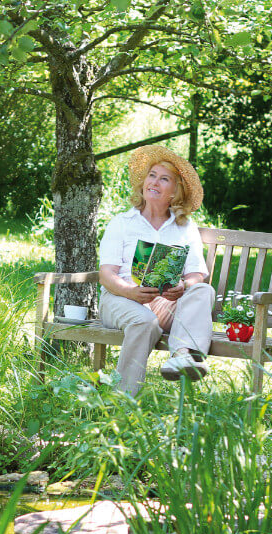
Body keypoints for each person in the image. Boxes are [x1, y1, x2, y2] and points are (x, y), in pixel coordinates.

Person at [97, 145, 216, 396]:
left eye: (164, 179)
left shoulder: (185, 227)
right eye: (152, 175)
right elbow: (107, 274)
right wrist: (130, 291)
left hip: (165, 302)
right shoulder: (122, 223)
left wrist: (184, 286)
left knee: (203, 290)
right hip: (120, 299)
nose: (155, 182)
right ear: (143, 183)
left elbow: (196, 273)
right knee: (145, 321)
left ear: (175, 191)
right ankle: (123, 399)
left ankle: (182, 356)